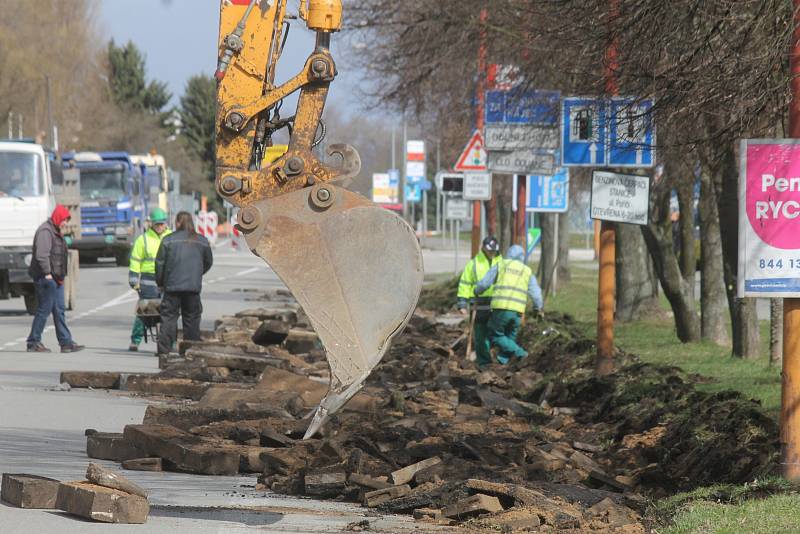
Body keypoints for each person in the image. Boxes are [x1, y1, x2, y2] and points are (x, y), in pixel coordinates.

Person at [26, 205, 84, 353]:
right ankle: (33, 342)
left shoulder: (56, 231)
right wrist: (47, 274)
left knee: (59, 310)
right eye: (64, 219)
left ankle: (66, 342)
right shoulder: (45, 231)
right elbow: (41, 255)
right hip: (46, 278)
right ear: (58, 217)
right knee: (44, 310)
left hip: (56, 279)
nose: (65, 223)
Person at [155, 211, 213, 356]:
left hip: (172, 287)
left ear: (178, 222)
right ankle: (190, 350)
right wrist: (197, 274)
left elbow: (159, 264)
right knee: (191, 319)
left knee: (168, 318)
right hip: (192, 288)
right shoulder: (202, 241)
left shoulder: (168, 240)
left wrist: (161, 282)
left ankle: (164, 351)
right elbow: (208, 262)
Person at [475, 244, 543, 364]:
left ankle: (522, 354)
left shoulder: (501, 265)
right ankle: (503, 364)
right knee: (509, 337)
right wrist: (538, 307)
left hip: (502, 308)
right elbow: (536, 293)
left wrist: (476, 291)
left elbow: (484, 284)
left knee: (494, 335)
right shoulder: (527, 271)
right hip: (518, 312)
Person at [128, 208, 171, 351]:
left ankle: (171, 342)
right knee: (144, 312)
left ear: (166, 223)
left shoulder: (171, 237)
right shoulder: (143, 239)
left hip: (167, 281)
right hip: (148, 282)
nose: (160, 226)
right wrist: (134, 280)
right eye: (157, 224)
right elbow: (135, 260)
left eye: (162, 224)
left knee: (169, 314)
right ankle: (135, 340)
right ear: (151, 223)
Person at [456, 236, 502, 367]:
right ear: (483, 247)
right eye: (489, 250)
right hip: (479, 303)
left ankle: (498, 359)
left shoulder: (501, 262)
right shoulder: (474, 263)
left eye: (494, 250)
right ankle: (484, 361)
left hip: (497, 302)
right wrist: (462, 303)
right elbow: (464, 284)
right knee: (480, 334)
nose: (491, 252)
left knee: (496, 333)